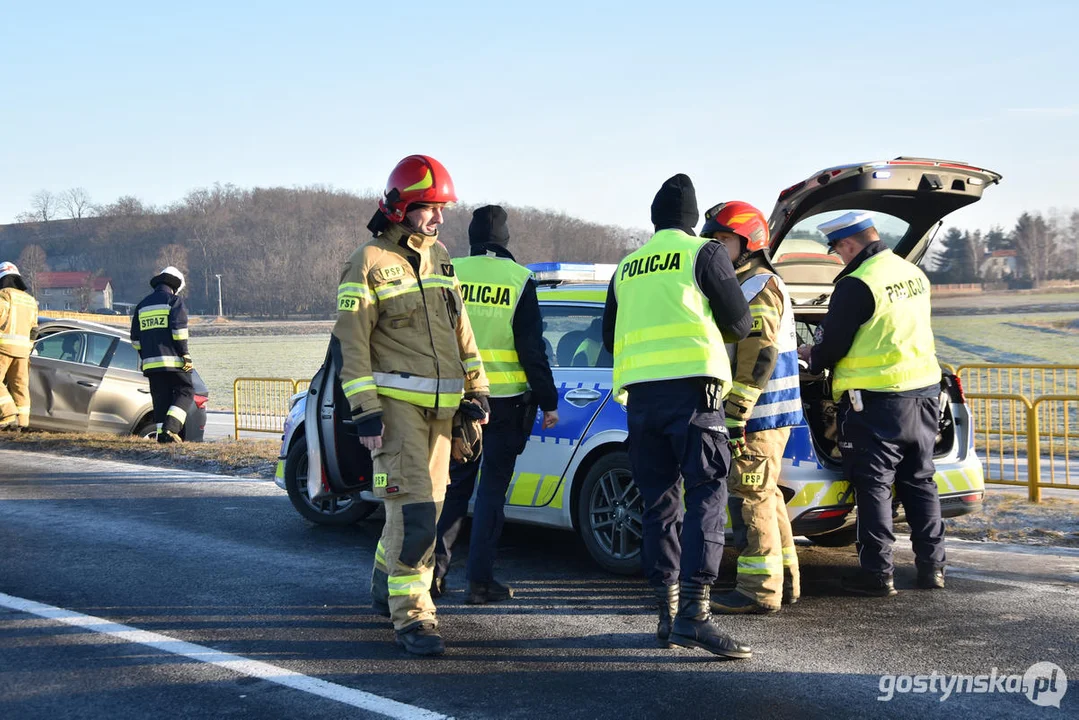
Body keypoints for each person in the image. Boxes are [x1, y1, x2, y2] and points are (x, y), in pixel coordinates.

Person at [333, 154, 490, 656]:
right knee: (417, 513)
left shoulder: (442, 259)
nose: (438, 218)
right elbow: (351, 344)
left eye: (441, 209)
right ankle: (414, 617)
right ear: (400, 208)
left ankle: (386, 588)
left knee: (429, 508)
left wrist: (477, 389)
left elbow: (460, 328)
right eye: (428, 208)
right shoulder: (367, 261)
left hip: (443, 413)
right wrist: (365, 411)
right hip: (395, 409)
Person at [602, 174, 753, 659]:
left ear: (655, 219)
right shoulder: (703, 254)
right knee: (707, 497)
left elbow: (609, 337)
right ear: (693, 220)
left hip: (642, 401)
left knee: (659, 507)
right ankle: (696, 615)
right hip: (694, 396)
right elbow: (740, 322)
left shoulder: (627, 266)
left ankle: (666, 614)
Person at [797, 212, 945, 596]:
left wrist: (808, 353)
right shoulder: (911, 272)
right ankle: (933, 569)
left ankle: (878, 575)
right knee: (920, 481)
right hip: (925, 393)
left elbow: (832, 347)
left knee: (875, 486)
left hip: (876, 402)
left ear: (848, 244)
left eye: (837, 250)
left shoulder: (857, 283)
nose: (838, 257)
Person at [434, 205, 559, 605]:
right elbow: (532, 349)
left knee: (453, 489)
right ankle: (479, 582)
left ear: (471, 238)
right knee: (491, 493)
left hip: (456, 400)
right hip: (505, 404)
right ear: (505, 240)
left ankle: (432, 579)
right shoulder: (519, 279)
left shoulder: (449, 271)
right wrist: (548, 400)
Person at [699, 201, 804, 615]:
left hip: (757, 412)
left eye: (722, 240)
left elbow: (759, 353)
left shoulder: (756, 286)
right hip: (765, 409)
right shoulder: (746, 283)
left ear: (749, 242)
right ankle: (787, 579)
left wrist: (736, 412)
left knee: (751, 496)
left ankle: (757, 591)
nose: (715, 247)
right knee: (766, 493)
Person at [131, 266, 194, 443]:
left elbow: (135, 339)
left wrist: (147, 356)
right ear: (174, 286)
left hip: (151, 364)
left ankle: (163, 438)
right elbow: (179, 332)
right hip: (174, 361)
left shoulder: (142, 305)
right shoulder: (174, 301)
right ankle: (171, 428)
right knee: (186, 390)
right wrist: (185, 355)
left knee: (160, 399)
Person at [0, 262, 39, 430]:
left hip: (2, 348)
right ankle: (23, 424)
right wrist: (28, 347)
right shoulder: (30, 300)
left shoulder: (4, 295)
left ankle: (7, 413)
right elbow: (34, 329)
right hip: (23, 352)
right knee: (20, 388)